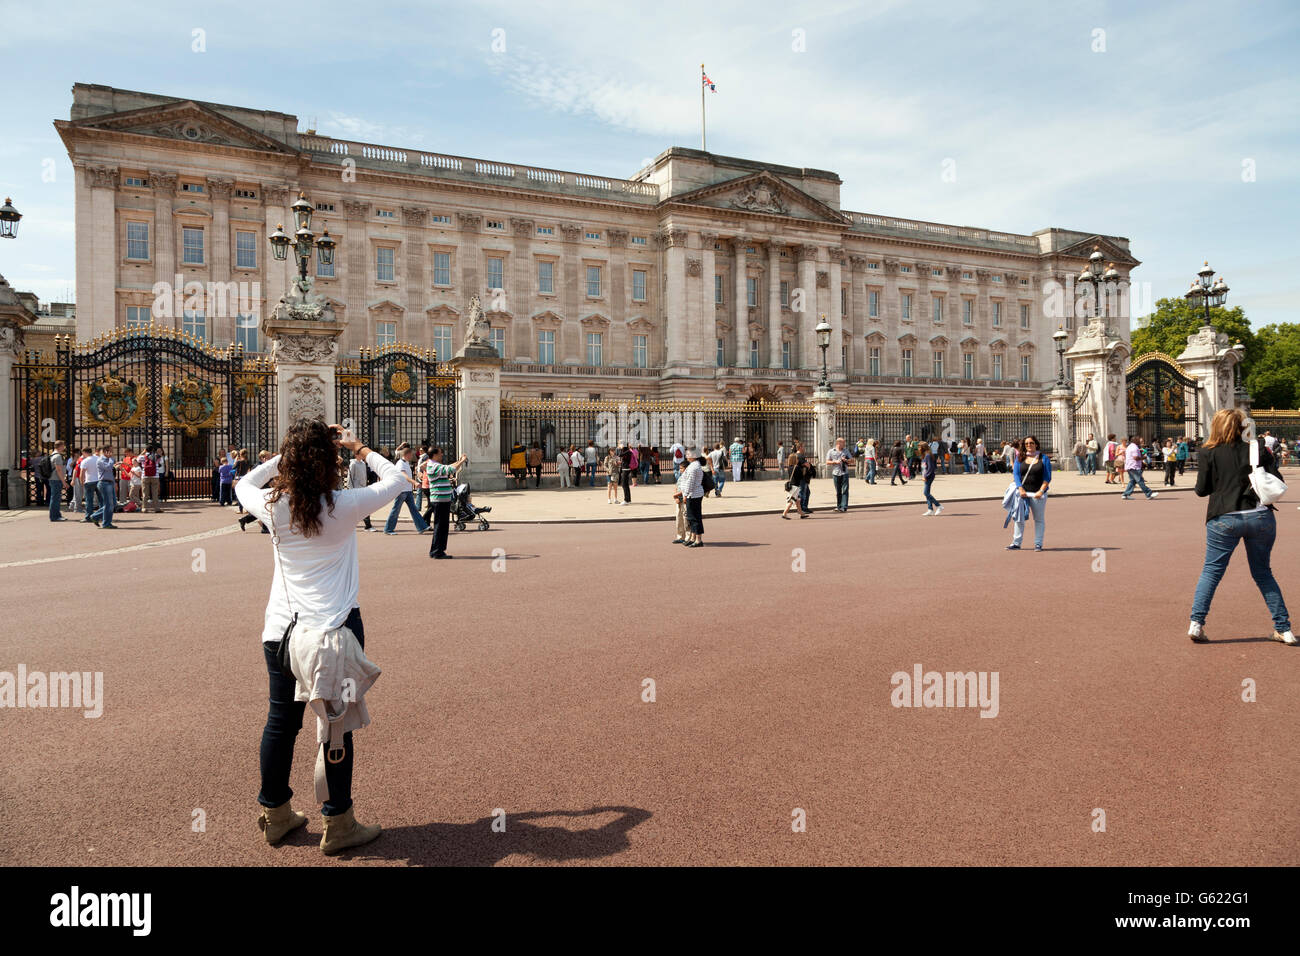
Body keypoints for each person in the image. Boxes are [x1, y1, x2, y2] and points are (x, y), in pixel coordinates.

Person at [237, 420, 405, 854]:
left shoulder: (273, 506)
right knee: (336, 727)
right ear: (331, 460)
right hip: (335, 630)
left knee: (280, 723)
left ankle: (275, 815)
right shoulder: (345, 504)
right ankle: (339, 822)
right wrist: (358, 447)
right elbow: (399, 478)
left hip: (281, 633)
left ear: (290, 461)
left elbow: (243, 482)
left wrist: (285, 457)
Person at [1188, 408, 1294, 645]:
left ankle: (1196, 623)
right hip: (1259, 516)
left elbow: (1201, 490)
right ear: (1243, 425)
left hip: (1224, 517)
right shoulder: (1256, 447)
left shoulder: (1207, 451)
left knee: (1211, 572)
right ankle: (1284, 629)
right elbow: (1275, 478)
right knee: (1263, 573)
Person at [1006, 435, 1051, 550]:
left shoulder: (1043, 458)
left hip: (1037, 494)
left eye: (1031, 443)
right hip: (1022, 493)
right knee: (1019, 518)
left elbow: (1047, 477)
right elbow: (1016, 474)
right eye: (1026, 444)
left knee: (1039, 519)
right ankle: (1016, 542)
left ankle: (1038, 543)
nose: (1029, 445)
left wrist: (1041, 491)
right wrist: (1020, 488)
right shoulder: (1020, 458)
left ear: (1036, 444)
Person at [423, 446, 467, 559]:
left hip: (441, 499)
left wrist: (459, 460)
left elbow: (448, 467)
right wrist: (462, 461)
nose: (442, 455)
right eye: (440, 453)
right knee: (441, 527)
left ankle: (436, 550)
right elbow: (451, 470)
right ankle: (438, 551)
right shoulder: (434, 466)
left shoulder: (433, 465)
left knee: (441, 526)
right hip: (440, 500)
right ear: (435, 455)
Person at [383, 444, 430, 534]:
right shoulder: (400, 463)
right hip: (401, 491)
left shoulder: (406, 463)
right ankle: (388, 529)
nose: (412, 456)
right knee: (396, 510)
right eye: (411, 454)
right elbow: (404, 476)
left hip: (407, 490)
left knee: (413, 509)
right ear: (407, 454)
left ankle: (421, 527)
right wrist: (414, 482)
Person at [676, 446, 706, 547]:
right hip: (693, 494)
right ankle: (693, 538)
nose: (686, 456)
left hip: (693, 495)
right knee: (691, 517)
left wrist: (685, 494)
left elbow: (690, 483)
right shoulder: (693, 465)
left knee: (694, 518)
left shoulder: (694, 467)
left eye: (688, 454)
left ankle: (698, 540)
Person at [343, 449, 374, 532]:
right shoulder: (353, 464)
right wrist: (350, 489)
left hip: (362, 489)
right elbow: (350, 477)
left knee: (359, 508)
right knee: (362, 508)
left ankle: (366, 525)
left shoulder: (363, 463)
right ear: (356, 455)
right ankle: (368, 525)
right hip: (356, 489)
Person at [87, 446, 118, 528]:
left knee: (113, 504)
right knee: (109, 504)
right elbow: (108, 467)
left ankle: (95, 516)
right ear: (105, 452)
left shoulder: (108, 460)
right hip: (104, 483)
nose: (112, 453)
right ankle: (106, 523)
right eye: (111, 451)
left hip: (110, 482)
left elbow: (110, 470)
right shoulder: (100, 460)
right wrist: (111, 460)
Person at [1121, 436, 1158, 501]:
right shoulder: (1135, 447)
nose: (1140, 441)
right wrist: (1143, 458)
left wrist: (1139, 451)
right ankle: (1148, 494)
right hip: (1134, 466)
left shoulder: (1130, 446)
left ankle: (1126, 494)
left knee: (1132, 481)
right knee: (1140, 480)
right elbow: (1135, 458)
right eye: (1138, 440)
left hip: (1129, 466)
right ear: (1135, 440)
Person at [826, 437, 853, 513]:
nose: (844, 444)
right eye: (843, 443)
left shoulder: (846, 451)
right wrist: (835, 462)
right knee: (838, 491)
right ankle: (839, 506)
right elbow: (827, 462)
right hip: (836, 473)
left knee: (845, 490)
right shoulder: (831, 451)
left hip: (844, 473)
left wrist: (846, 460)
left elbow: (852, 460)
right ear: (838, 443)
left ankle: (844, 507)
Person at [783, 455, 814, 519]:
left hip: (792, 485)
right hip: (795, 487)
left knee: (798, 501)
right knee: (791, 501)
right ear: (794, 460)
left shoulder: (789, 467)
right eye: (796, 459)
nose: (797, 460)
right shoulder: (796, 467)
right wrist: (806, 469)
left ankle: (802, 514)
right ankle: (784, 514)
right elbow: (801, 476)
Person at [44, 440, 67, 521]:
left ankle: (57, 515)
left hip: (53, 479)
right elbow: (59, 470)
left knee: (55, 498)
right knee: (55, 498)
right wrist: (64, 482)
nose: (64, 447)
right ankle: (54, 516)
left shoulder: (52, 455)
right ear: (60, 446)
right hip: (56, 479)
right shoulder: (57, 457)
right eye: (63, 446)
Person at [920, 442, 943, 516]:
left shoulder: (928, 456)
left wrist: (926, 476)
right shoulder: (925, 455)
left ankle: (938, 506)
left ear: (923, 448)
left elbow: (931, 468)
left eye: (919, 447)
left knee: (926, 493)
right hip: (926, 475)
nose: (918, 449)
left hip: (929, 476)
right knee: (927, 493)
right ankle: (930, 509)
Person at [139, 445, 161, 513]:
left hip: (145, 476)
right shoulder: (157, 456)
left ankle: (144, 508)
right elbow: (159, 462)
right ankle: (156, 508)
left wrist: (143, 452)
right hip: (155, 476)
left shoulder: (142, 457)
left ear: (146, 450)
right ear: (152, 450)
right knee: (155, 493)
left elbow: (137, 459)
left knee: (145, 493)